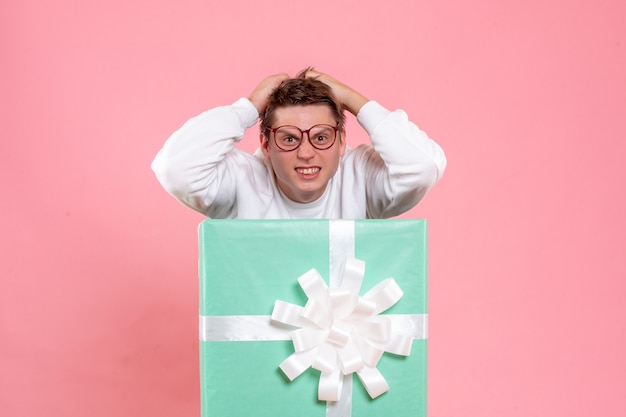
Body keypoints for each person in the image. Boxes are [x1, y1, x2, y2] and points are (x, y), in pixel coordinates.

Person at [151, 68, 446, 219]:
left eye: (320, 137)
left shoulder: (362, 178)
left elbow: (423, 166)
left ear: (342, 141)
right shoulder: (242, 181)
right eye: (289, 138)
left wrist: (353, 99)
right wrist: (248, 108)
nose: (306, 153)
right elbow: (175, 168)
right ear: (266, 144)